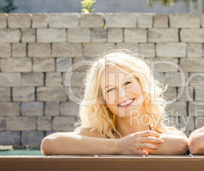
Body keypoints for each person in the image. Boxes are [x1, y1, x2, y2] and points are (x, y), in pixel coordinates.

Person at [41, 49, 188, 155]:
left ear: (142, 86)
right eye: (110, 90)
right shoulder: (96, 136)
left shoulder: (165, 134)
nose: (122, 95)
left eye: (127, 83)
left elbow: (179, 145)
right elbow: (50, 143)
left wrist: (130, 145)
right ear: (103, 100)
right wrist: (118, 146)